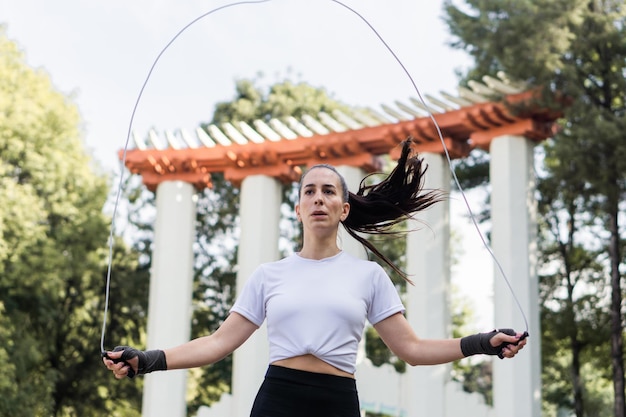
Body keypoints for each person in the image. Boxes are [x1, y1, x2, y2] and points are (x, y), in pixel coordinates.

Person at [103, 137, 527, 417]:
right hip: (278, 399)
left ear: (344, 209)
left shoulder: (368, 277)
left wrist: (479, 344)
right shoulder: (270, 275)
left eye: (329, 191)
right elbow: (217, 343)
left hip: (337, 403)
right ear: (298, 209)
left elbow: (412, 350)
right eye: (309, 191)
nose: (318, 198)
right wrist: (148, 360)